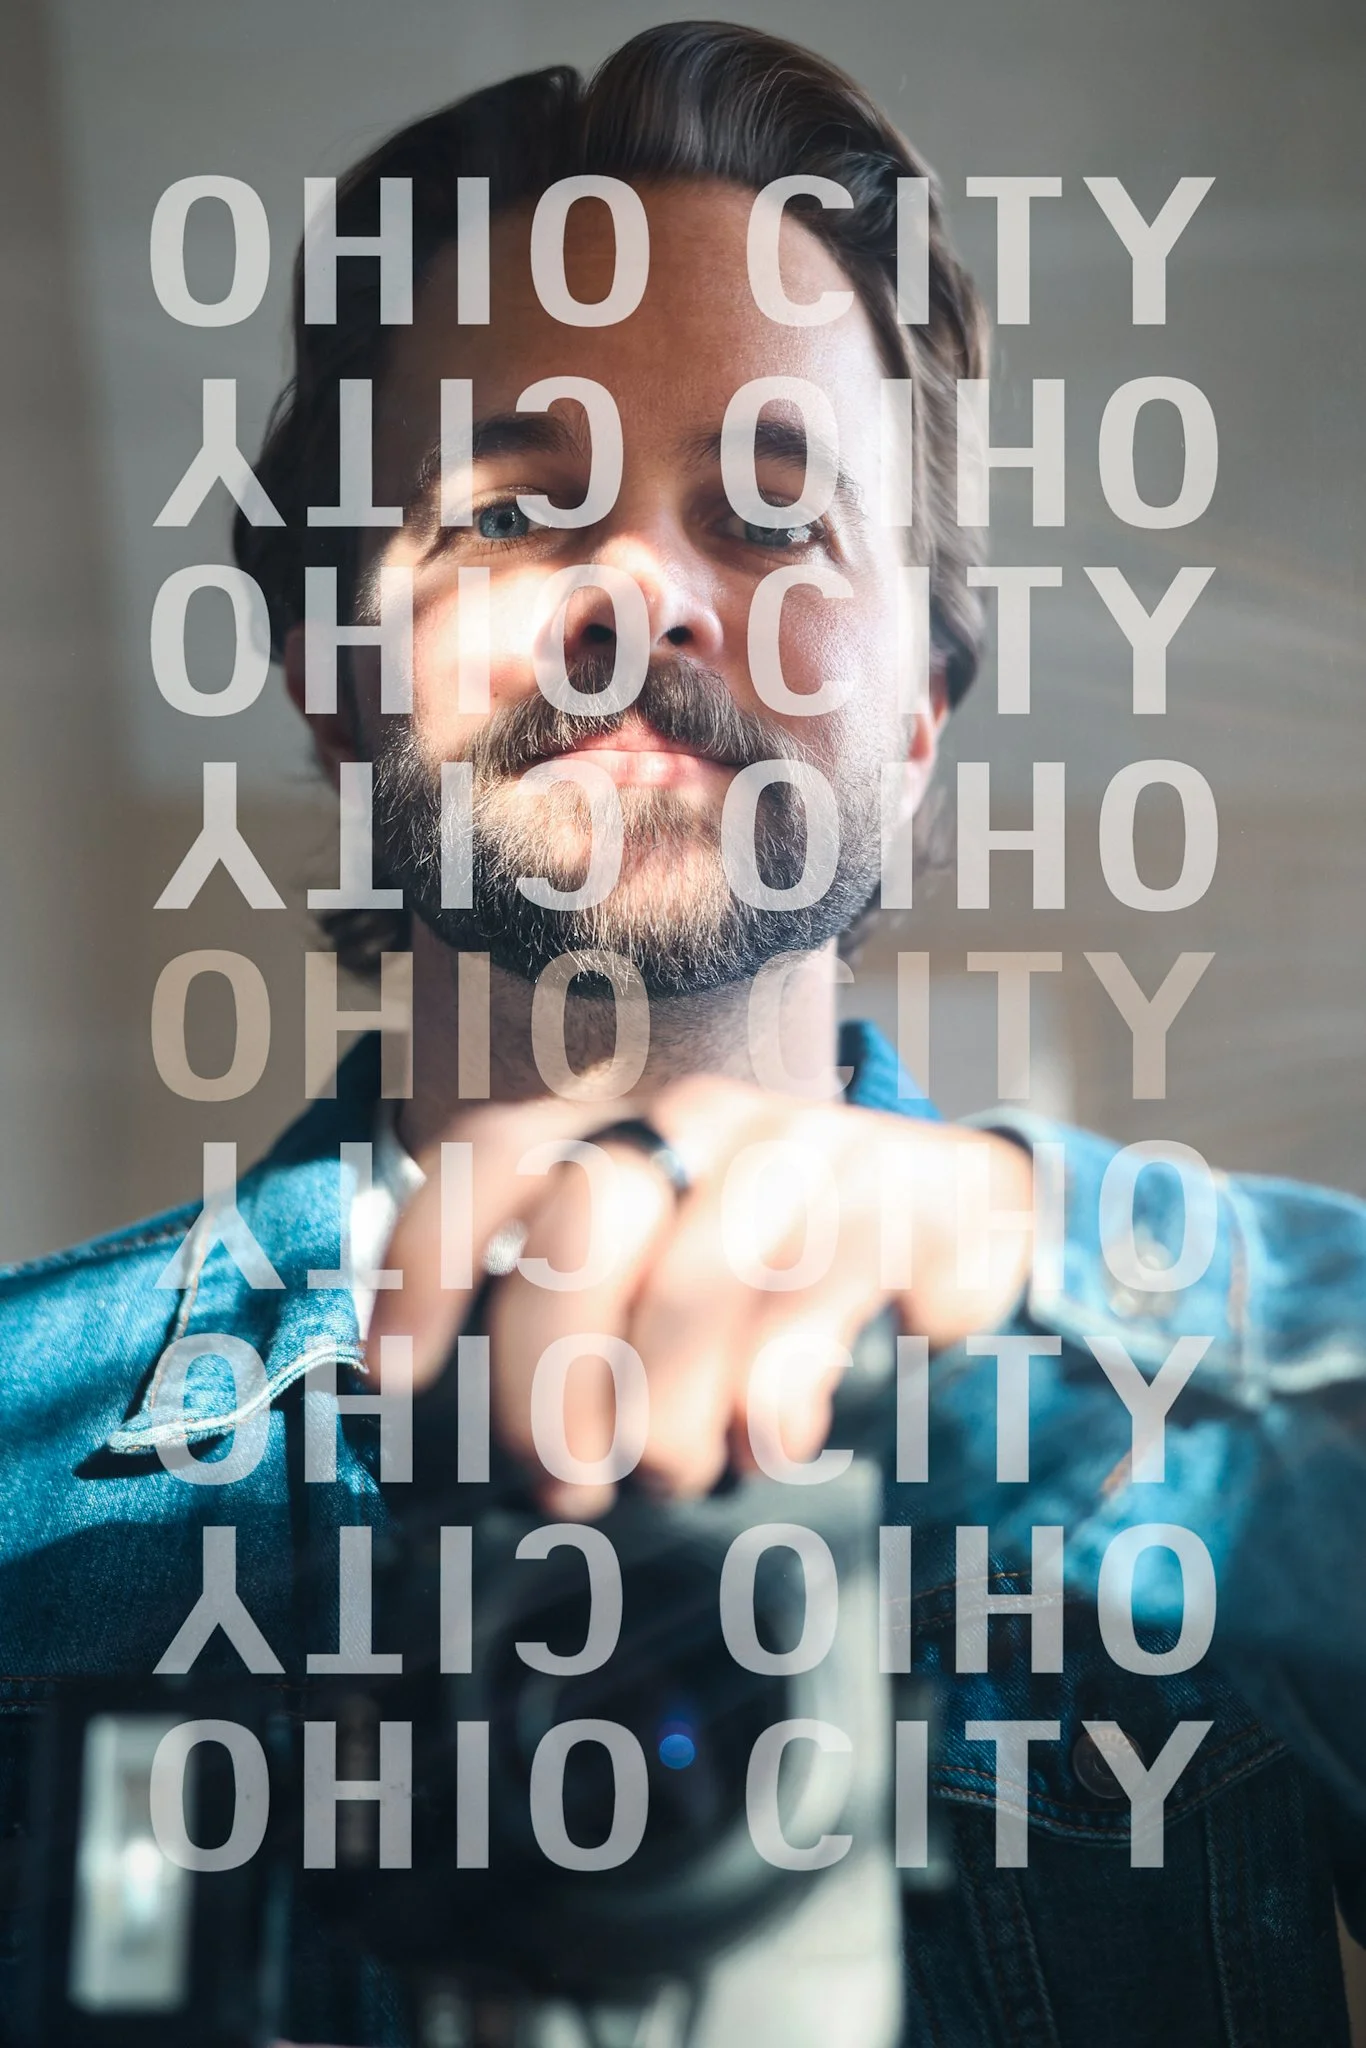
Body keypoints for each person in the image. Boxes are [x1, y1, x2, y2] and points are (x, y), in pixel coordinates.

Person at [1, 20, 1364, 2046]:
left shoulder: (1191, 1416)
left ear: (917, 714)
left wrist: (1076, 1293)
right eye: (508, 510)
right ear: (333, 686)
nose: (637, 594)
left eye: (772, 516)